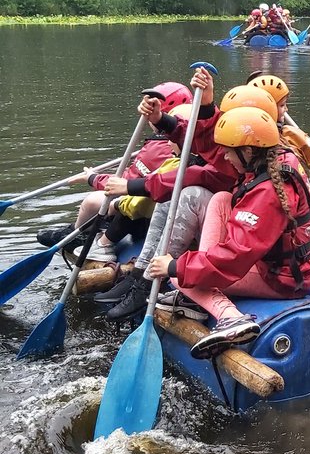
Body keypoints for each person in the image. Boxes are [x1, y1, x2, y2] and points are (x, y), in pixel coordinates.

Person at [94, 73, 280, 317]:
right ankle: (142, 277)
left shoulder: (268, 180)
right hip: (239, 237)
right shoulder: (248, 155)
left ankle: (155, 283)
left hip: (265, 266)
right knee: (180, 194)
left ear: (248, 142)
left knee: (191, 198)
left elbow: (238, 250)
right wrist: (162, 120)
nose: (223, 154)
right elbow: (201, 138)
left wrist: (176, 267)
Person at [145, 106, 310, 358]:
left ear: (248, 151)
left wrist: (176, 267)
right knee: (221, 199)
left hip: (285, 278)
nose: (226, 158)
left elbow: (236, 254)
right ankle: (202, 289)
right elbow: (211, 151)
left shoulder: (268, 193)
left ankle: (232, 318)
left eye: (229, 152)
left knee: (179, 275)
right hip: (282, 261)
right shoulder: (271, 158)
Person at [35, 81, 193, 254]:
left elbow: (127, 184)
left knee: (90, 202)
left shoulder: (163, 151)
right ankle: (79, 230)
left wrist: (92, 178)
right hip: (136, 200)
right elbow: (130, 175)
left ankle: (79, 235)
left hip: (140, 214)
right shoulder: (161, 144)